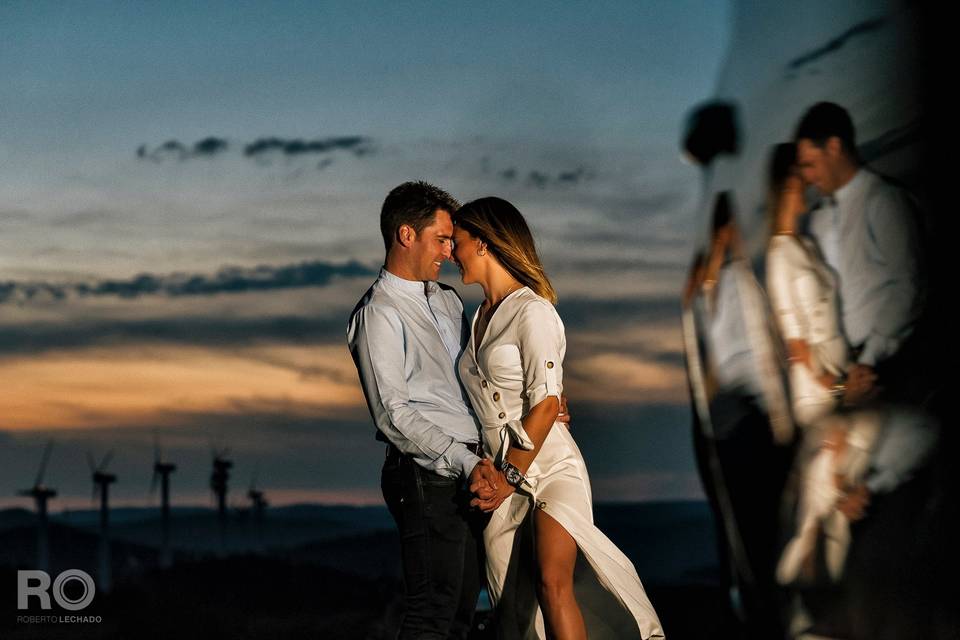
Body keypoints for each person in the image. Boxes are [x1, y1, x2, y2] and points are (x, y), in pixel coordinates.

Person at [451, 197, 664, 640]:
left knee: (553, 581)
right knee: (513, 611)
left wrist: (509, 473)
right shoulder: (475, 320)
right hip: (500, 484)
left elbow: (547, 404)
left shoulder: (533, 311)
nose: (453, 251)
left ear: (485, 244)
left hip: (548, 468)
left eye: (459, 241)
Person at [347, 181, 501, 640]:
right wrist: (465, 460)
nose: (451, 251)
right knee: (433, 613)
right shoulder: (379, 312)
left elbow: (475, 382)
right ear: (406, 235)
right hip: (425, 472)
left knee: (464, 614)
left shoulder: (450, 300)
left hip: (474, 466)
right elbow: (392, 413)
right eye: (442, 238)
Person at [793, 102, 926, 405]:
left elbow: (909, 286)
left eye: (810, 163)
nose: (808, 176)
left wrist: (868, 361)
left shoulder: (885, 200)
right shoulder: (817, 219)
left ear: (834, 147)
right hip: (844, 374)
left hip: (888, 369)